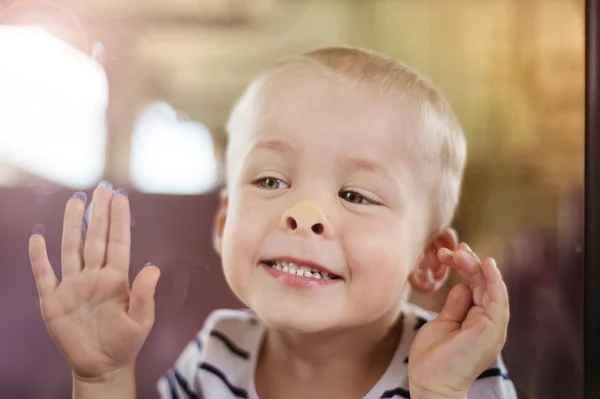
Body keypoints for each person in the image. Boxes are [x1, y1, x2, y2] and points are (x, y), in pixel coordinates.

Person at [28, 46, 518, 398]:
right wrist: (102, 378)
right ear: (223, 223)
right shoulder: (214, 354)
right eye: (269, 182)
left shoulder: (459, 367)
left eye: (354, 194)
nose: (301, 214)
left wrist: (438, 392)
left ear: (430, 260)